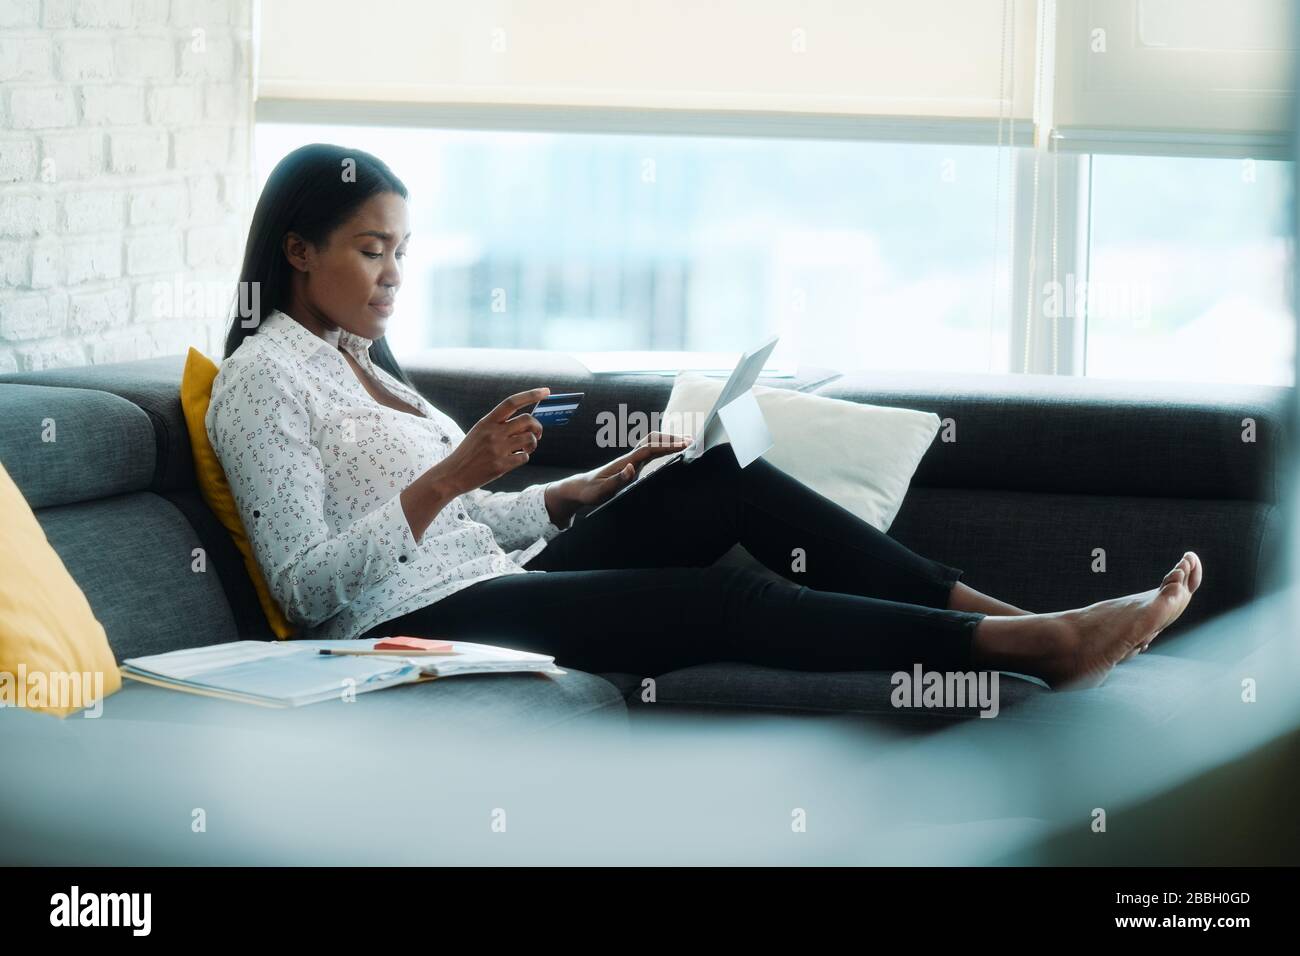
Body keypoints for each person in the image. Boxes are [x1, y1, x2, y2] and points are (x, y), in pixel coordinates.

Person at [209, 144, 1203, 693]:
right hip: (401, 630)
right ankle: (1035, 650)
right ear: (299, 250)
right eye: (372, 250)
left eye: (404, 251)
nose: (393, 276)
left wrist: (564, 496)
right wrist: (450, 475)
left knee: (721, 478)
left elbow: (461, 523)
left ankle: (1018, 617)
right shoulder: (263, 381)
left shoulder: (364, 365)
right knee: (713, 597)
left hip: (484, 578)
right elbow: (304, 592)